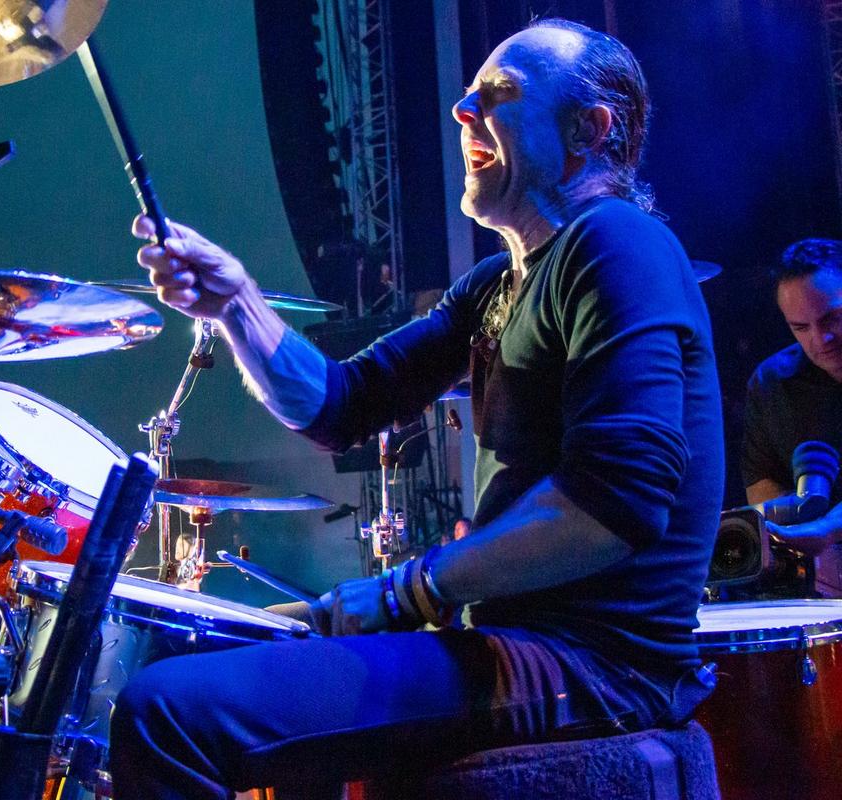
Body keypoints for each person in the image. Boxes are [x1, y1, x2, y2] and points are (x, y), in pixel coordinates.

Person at [109, 19, 723, 799]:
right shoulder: (498, 284)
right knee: (188, 655)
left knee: (166, 712)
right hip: (523, 642)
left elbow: (617, 506)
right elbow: (341, 405)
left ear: (589, 130)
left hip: (593, 664)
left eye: (499, 95)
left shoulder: (617, 243)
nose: (464, 111)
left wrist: (410, 591)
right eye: (468, 95)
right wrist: (236, 304)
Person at [741, 239, 842, 586]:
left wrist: (827, 529)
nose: (821, 339)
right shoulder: (771, 383)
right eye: (800, 327)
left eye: (832, 318)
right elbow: (762, 486)